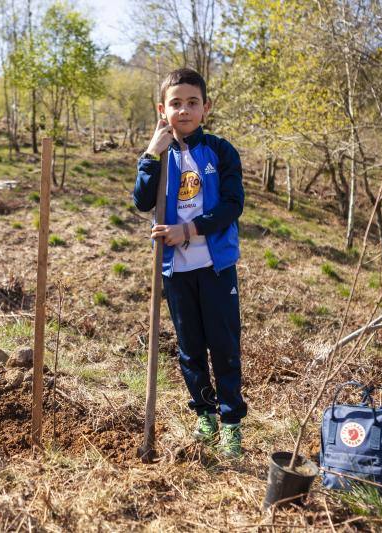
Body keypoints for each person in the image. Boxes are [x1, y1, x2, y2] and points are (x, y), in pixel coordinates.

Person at [132, 68, 246, 458]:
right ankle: (205, 416)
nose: (184, 110)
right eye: (175, 103)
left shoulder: (220, 150)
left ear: (206, 108)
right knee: (190, 348)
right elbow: (142, 202)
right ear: (162, 109)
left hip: (215, 266)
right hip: (175, 271)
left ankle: (231, 425)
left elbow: (233, 205)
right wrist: (150, 154)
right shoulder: (157, 153)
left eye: (192, 103)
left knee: (224, 345)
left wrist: (190, 230)